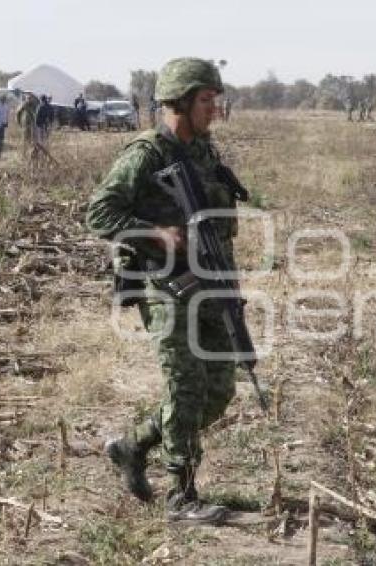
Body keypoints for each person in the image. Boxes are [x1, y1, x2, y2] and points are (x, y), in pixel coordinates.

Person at [86, 58, 246, 523]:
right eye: (205, 99)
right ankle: (183, 496)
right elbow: (100, 213)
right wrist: (156, 234)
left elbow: (217, 228)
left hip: (212, 282)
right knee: (185, 386)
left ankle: (133, 446)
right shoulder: (147, 153)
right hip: (165, 285)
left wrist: (232, 282)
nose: (214, 108)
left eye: (216, 99)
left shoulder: (204, 151)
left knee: (218, 391)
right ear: (178, 102)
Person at [16, 92, 39, 158]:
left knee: (33, 141)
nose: (29, 99)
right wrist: (19, 123)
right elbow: (18, 114)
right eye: (28, 98)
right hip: (25, 125)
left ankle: (32, 155)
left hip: (33, 125)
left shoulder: (35, 105)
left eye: (30, 98)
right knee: (25, 140)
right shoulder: (23, 105)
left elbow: (37, 114)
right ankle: (24, 155)